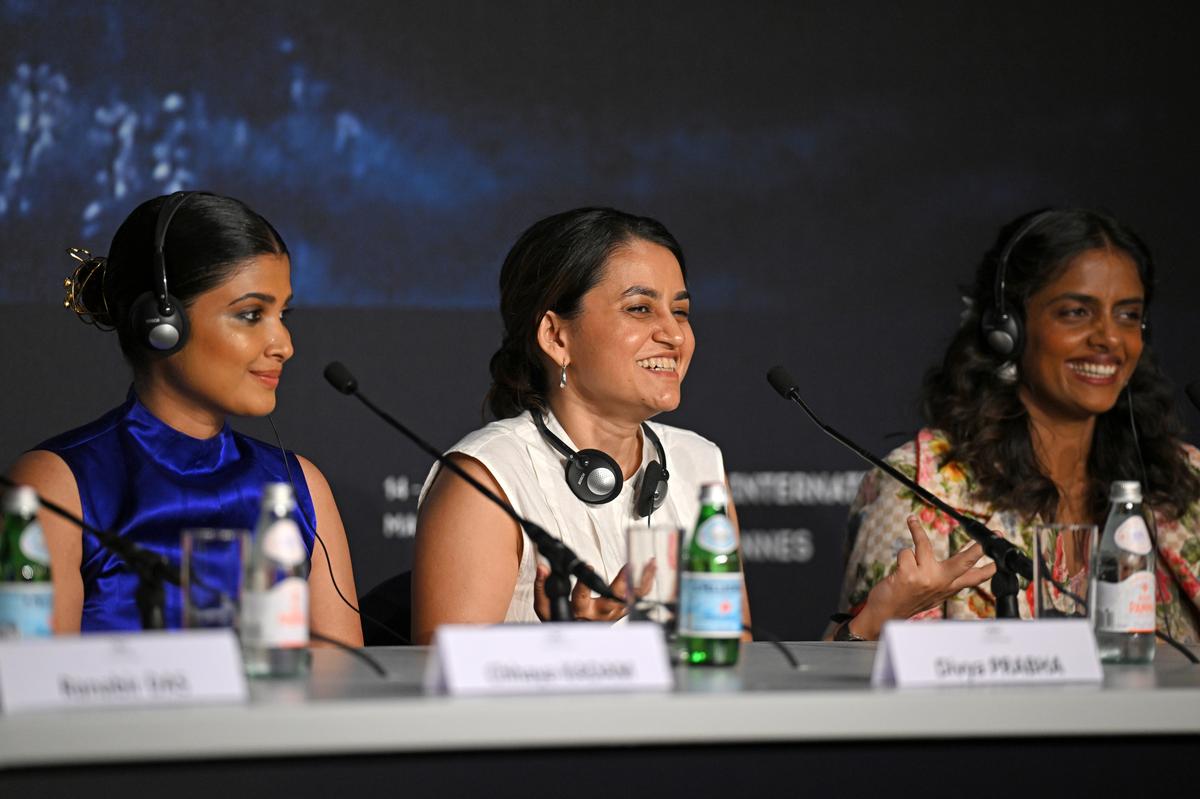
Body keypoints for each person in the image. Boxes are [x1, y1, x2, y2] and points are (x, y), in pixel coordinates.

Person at [412, 207, 986, 645]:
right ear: (556, 336)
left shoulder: (695, 463)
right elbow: (439, 702)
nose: (674, 334)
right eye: (641, 309)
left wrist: (880, 616)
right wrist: (569, 648)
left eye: (680, 311)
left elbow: (728, 672)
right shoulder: (487, 479)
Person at [4, 191, 362, 645]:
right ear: (162, 324)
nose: (284, 345)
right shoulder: (56, 487)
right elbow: (34, 697)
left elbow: (344, 689)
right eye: (252, 314)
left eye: (282, 314)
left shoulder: (299, 486)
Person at [836, 207, 1200, 642]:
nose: (1109, 339)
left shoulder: (1185, 481)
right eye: (1075, 313)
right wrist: (873, 628)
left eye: (1127, 315)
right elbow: (857, 679)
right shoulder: (920, 487)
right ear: (1006, 328)